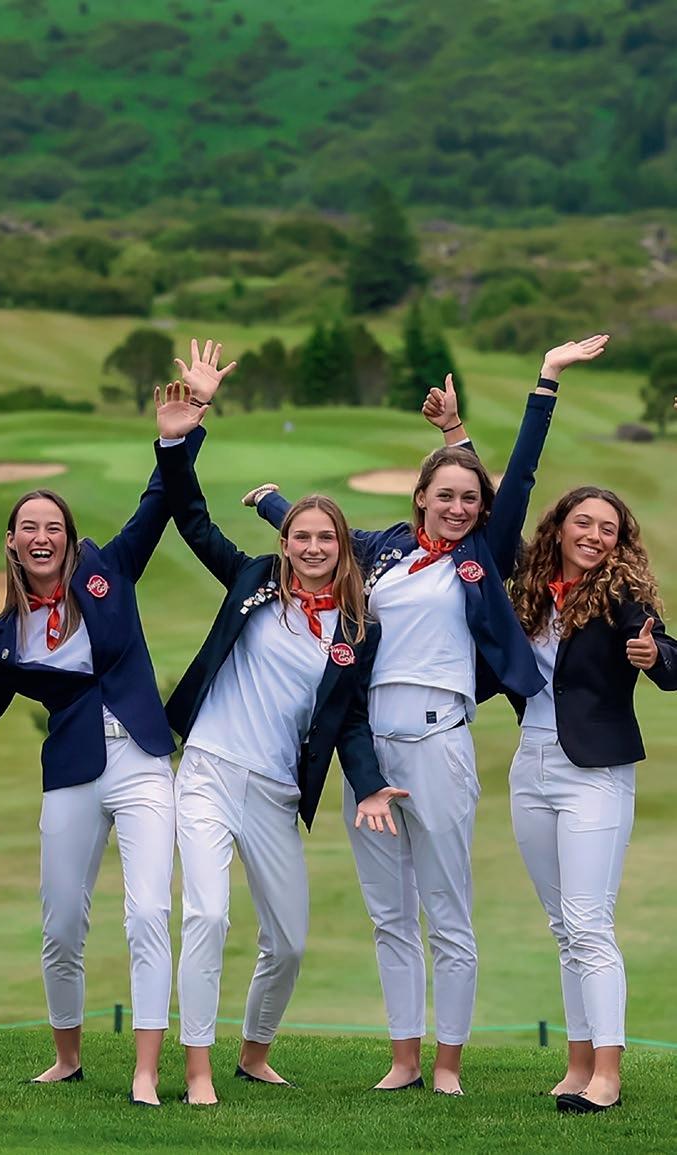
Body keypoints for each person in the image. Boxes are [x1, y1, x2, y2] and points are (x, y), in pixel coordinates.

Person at [245, 342, 600, 1093]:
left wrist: (544, 382)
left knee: (447, 911)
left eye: (469, 498)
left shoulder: (482, 555)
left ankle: (447, 1064)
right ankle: (404, 1059)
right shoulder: (387, 552)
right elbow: (325, 539)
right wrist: (272, 503)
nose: (458, 507)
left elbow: (519, 479)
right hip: (369, 753)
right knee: (389, 914)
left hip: (440, 742)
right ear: (421, 498)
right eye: (445, 496)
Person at [0, 344, 219, 1108]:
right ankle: (66, 1055)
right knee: (62, 921)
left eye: (52, 525)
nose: (41, 535)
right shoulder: (3, 638)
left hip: (142, 761)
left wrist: (178, 436)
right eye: (27, 526)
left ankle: (145, 1069)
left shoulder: (108, 569)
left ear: (67, 536)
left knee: (147, 912)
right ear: (11, 541)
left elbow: (159, 503)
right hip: (70, 771)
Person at [152, 378, 407, 1106]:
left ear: (342, 546)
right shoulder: (253, 581)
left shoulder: (357, 628)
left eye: (326, 538)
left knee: (288, 941)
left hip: (274, 792)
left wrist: (369, 784)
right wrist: (176, 442)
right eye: (301, 536)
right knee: (206, 915)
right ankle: (196, 1070)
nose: (313, 547)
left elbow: (349, 718)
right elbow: (192, 519)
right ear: (285, 543)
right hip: (208, 770)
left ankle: (253, 1052)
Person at [507, 483, 676, 1113]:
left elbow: (670, 655)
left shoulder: (622, 596)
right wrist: (455, 438)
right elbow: (496, 505)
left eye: (609, 529)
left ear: (619, 542)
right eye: (584, 523)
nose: (595, 536)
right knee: (563, 927)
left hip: (594, 773)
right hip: (530, 765)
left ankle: (607, 1076)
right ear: (559, 528)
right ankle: (577, 1066)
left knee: (588, 924)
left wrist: (654, 654)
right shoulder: (532, 589)